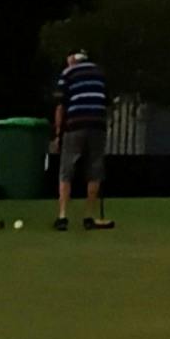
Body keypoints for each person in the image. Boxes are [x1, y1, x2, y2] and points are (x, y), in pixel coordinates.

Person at [52, 47, 112, 230]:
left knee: (66, 170)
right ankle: (89, 217)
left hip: (75, 124)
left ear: (72, 58)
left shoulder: (68, 73)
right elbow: (106, 102)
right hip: (97, 124)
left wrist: (57, 133)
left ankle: (62, 216)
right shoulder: (100, 72)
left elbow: (60, 106)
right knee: (94, 169)